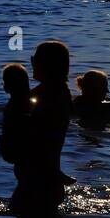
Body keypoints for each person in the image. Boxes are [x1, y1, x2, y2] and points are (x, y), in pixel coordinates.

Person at [12, 40, 73, 207]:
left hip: (39, 182)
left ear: (47, 65)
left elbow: (40, 138)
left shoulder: (49, 96)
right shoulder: (56, 93)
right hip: (42, 179)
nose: (32, 64)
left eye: (35, 60)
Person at [0, 63, 31, 164]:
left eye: (5, 81)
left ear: (7, 85)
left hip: (16, 150)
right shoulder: (29, 102)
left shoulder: (13, 106)